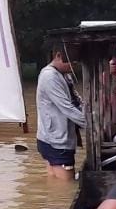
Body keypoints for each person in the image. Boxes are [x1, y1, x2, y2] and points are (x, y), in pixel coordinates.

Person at [36, 45, 86, 180]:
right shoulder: (50, 76)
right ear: (58, 56)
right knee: (66, 186)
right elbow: (67, 107)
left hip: (51, 137)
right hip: (56, 140)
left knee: (55, 183)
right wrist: (91, 125)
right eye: (72, 61)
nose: (74, 65)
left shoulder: (64, 75)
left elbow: (76, 100)